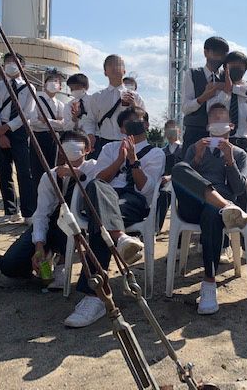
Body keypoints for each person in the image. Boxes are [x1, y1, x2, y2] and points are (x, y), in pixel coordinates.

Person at [63, 106, 163, 328]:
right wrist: (119, 160)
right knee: (97, 189)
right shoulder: (109, 148)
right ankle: (120, 238)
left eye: (139, 121)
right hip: (105, 195)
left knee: (99, 220)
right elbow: (99, 178)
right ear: (121, 129)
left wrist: (133, 161)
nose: (135, 125)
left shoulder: (156, 153)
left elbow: (146, 189)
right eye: (128, 123)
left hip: (133, 201)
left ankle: (95, 296)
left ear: (147, 125)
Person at [171, 103, 247, 315]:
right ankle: (224, 205)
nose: (217, 122)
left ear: (231, 126)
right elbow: (182, 178)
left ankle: (209, 281)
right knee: (179, 168)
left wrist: (229, 161)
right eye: (213, 119)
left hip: (215, 212)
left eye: (222, 119)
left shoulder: (239, 153)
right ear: (208, 126)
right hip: (193, 205)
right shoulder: (194, 147)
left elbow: (239, 189)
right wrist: (197, 158)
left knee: (211, 210)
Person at [0, 130, 98, 290]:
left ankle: (63, 263)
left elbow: (97, 190)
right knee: (10, 265)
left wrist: (78, 175)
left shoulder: (95, 169)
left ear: (88, 150)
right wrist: (39, 246)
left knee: (69, 215)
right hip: (52, 223)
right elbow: (41, 214)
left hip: (79, 225)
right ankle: (45, 257)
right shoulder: (50, 176)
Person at [209, 52, 247, 264]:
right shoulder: (218, 88)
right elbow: (214, 111)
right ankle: (224, 246)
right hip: (219, 142)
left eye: (240, 66)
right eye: (231, 65)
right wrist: (227, 90)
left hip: (241, 145)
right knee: (221, 191)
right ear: (225, 67)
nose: (236, 69)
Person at [0, 53, 37, 224]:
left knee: (24, 172)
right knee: (4, 172)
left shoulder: (29, 88)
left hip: (19, 131)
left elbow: (28, 113)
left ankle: (28, 212)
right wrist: (0, 133)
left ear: (22, 66)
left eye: (15, 62)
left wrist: (8, 127)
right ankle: (10, 211)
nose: (11, 65)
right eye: (7, 62)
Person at [84, 55, 145, 159]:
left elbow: (144, 120)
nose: (114, 67)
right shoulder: (97, 97)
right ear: (105, 72)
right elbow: (90, 120)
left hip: (128, 142)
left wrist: (134, 105)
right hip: (103, 141)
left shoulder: (135, 96)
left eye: (118, 64)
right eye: (110, 65)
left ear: (124, 71)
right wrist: (90, 134)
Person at [181, 36, 229, 151]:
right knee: (192, 161)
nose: (220, 57)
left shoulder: (227, 77)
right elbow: (185, 108)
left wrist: (224, 85)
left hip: (220, 134)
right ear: (206, 52)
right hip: (195, 133)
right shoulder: (192, 74)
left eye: (223, 54)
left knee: (217, 161)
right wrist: (202, 98)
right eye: (216, 53)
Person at [30, 71, 67, 189]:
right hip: (38, 136)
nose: (53, 84)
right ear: (44, 85)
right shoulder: (36, 99)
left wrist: (45, 120)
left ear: (60, 87)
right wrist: (55, 121)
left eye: (56, 82)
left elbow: (63, 125)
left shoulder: (60, 104)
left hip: (53, 138)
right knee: (36, 167)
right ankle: (36, 193)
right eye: (50, 81)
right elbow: (33, 121)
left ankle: (50, 192)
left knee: (52, 167)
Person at [156, 119, 182, 232]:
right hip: (163, 182)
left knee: (165, 192)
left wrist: (171, 177)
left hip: (180, 181)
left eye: (173, 129)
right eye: (168, 129)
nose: (171, 131)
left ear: (179, 131)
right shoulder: (161, 151)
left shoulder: (185, 149)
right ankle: (155, 228)